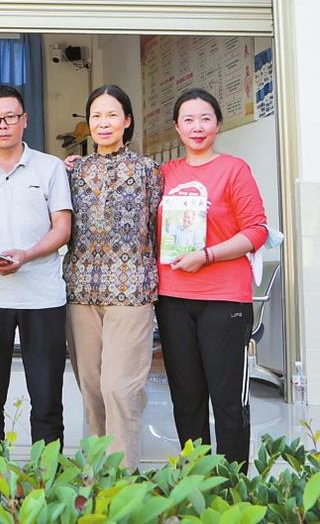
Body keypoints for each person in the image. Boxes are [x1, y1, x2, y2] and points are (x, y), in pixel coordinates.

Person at [0, 84, 72, 471]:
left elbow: (62, 228)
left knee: (47, 397)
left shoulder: (50, 167)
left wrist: (27, 255)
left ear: (25, 120)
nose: (3, 125)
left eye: (10, 117)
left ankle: (48, 480)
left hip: (43, 298)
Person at [155, 88, 267, 469]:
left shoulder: (234, 169)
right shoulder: (164, 174)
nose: (197, 127)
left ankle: (233, 484)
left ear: (218, 124)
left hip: (225, 300)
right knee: (186, 399)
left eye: (205, 119)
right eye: (188, 120)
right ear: (177, 127)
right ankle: (196, 480)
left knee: (228, 400)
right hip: (172, 298)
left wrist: (207, 255)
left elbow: (256, 230)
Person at [62, 84, 163, 469]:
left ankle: (123, 481)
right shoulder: (73, 171)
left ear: (127, 120)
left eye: (111, 115)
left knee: (120, 389)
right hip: (81, 291)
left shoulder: (148, 170)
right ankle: (98, 476)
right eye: (96, 116)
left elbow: (159, 229)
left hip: (132, 290)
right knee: (92, 390)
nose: (103, 123)